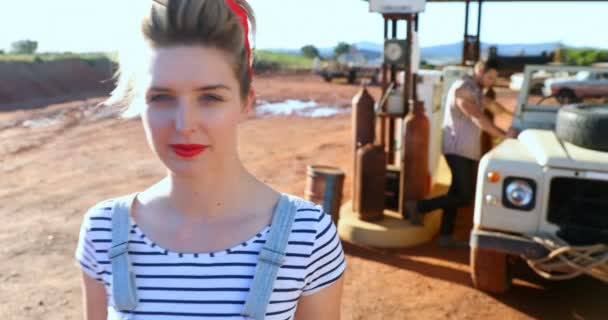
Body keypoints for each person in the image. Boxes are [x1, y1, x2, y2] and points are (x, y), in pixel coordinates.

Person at [74, 1, 346, 319]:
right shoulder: (103, 230)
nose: (184, 124)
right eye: (161, 97)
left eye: (210, 97)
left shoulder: (307, 236)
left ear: (246, 102)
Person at [405, 60, 517, 247]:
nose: (491, 82)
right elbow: (477, 117)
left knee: (456, 192)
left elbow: (493, 106)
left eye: (494, 79)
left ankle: (445, 236)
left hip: (466, 150)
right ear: (480, 71)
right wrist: (504, 136)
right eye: (489, 77)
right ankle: (418, 207)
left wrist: (516, 116)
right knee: (464, 196)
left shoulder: (476, 89)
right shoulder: (463, 89)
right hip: (458, 149)